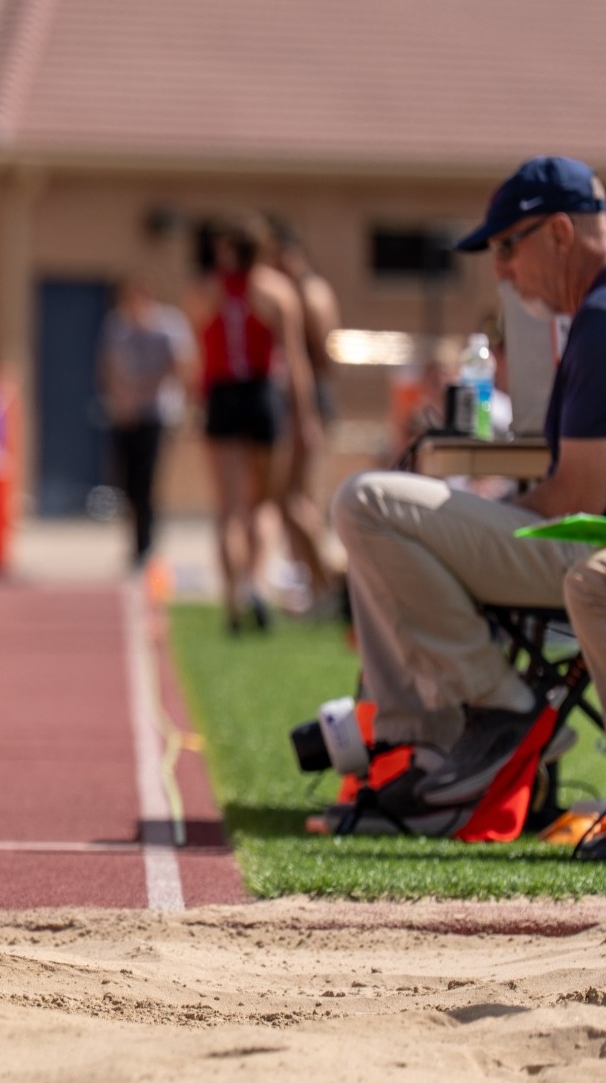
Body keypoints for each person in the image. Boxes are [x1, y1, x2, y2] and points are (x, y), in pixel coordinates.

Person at [333, 155, 606, 817]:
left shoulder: (600, 315)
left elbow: (578, 498)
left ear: (561, 234)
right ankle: (423, 745)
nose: (500, 271)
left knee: (367, 503)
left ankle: (494, 709)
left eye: (507, 246)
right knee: (392, 527)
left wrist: (480, 520)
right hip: (580, 541)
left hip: (586, 544)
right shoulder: (588, 315)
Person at [187, 215, 319, 634]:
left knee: (228, 508)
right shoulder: (275, 292)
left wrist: (196, 401)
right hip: (260, 395)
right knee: (262, 503)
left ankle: (231, 599)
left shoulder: (204, 292)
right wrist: (305, 415)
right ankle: (255, 585)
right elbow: (295, 362)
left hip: (222, 396)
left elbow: (198, 356)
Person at [265, 217, 341, 610]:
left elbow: (323, 358)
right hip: (299, 401)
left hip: (307, 401)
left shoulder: (310, 294)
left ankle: (325, 583)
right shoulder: (297, 292)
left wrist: (306, 413)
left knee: (297, 498)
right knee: (289, 499)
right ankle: (314, 582)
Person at [97, 276, 193, 570]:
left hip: (156, 413)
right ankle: (135, 541)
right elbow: (107, 365)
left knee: (147, 480)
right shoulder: (118, 326)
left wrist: (143, 389)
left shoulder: (168, 325)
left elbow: (180, 366)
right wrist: (118, 398)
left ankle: (147, 542)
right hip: (126, 414)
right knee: (126, 481)